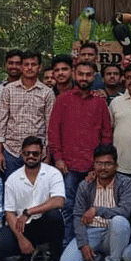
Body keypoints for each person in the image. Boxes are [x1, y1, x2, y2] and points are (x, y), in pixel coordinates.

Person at [48, 61, 113, 246]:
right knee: (67, 208)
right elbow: (54, 132)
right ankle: (68, 246)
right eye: (81, 74)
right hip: (68, 166)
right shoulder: (63, 100)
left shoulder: (100, 103)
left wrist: (99, 166)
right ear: (75, 75)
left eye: (88, 75)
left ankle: (91, 249)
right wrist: (58, 158)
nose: (84, 78)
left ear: (94, 77)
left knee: (93, 209)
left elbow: (106, 135)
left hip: (93, 168)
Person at [58, 144, 131, 261]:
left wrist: (97, 210)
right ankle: (99, 260)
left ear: (116, 165)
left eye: (108, 163)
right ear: (94, 164)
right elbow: (77, 215)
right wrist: (83, 244)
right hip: (91, 232)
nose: (103, 168)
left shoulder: (126, 183)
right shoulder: (85, 185)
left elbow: (125, 211)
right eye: (99, 163)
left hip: (114, 233)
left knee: (119, 221)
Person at [0, 136, 65, 261]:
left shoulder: (53, 173)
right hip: (23, 227)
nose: (31, 157)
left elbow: (58, 201)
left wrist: (29, 211)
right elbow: (9, 213)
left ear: (42, 154)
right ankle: (28, 251)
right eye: (27, 153)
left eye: (35, 153)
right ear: (21, 154)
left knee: (55, 215)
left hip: (45, 224)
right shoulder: (12, 179)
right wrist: (21, 239)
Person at [0, 51, 55, 179]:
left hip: (37, 154)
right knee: (11, 192)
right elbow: (1, 122)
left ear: (40, 67)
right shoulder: (9, 89)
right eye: (26, 64)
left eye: (33, 64)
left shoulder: (47, 93)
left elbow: (50, 127)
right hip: (12, 152)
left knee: (36, 193)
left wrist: (48, 156)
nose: (29, 67)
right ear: (21, 67)